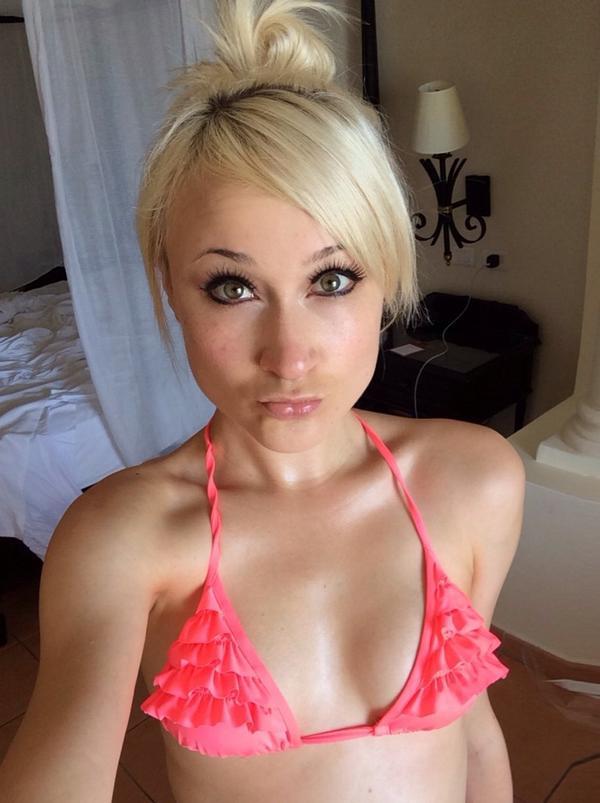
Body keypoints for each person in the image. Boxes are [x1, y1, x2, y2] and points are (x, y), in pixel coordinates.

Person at [0, 1, 526, 801]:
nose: (289, 355)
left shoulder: (476, 480)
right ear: (171, 290)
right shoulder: (121, 538)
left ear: (387, 278)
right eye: (232, 287)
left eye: (332, 279)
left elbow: (474, 730)